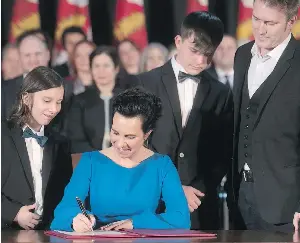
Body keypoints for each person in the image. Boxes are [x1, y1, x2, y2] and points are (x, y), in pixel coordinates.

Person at [131, 11, 233, 229]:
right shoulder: (145, 83)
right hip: (150, 203)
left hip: (198, 206)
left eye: (208, 54)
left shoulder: (221, 93)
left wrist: (198, 189)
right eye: (195, 51)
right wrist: (173, 190)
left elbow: (222, 153)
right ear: (179, 41)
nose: (201, 61)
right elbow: (132, 144)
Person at [231, 0, 300, 233]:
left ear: (291, 22)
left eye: (270, 23)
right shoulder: (242, 56)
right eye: (256, 19)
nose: (260, 29)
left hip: (287, 207)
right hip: (241, 197)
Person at [50, 87, 190, 232]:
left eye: (130, 137)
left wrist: (135, 223)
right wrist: (75, 220)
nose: (120, 143)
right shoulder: (90, 162)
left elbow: (181, 218)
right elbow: (63, 211)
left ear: (147, 134)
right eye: (115, 133)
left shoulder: (162, 165)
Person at [1, 66, 73, 230]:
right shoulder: (3, 135)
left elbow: (65, 195)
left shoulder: (60, 143)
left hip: (47, 231)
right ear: (26, 98)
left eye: (59, 102)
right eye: (47, 101)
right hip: (6, 231)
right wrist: (14, 213)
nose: (54, 109)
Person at [67, 46, 122, 154]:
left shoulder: (129, 100)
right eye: (96, 66)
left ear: (116, 69)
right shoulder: (79, 100)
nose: (101, 71)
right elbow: (76, 140)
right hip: (90, 162)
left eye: (106, 66)